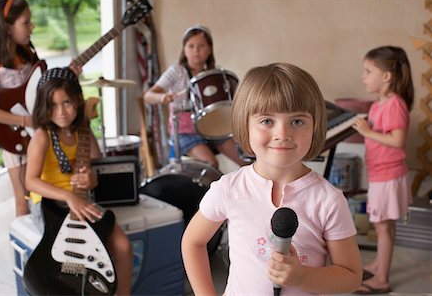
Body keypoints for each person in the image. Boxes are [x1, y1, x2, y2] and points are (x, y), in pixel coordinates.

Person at [182, 63, 362, 295]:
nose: (282, 134)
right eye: (267, 121)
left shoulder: (328, 200)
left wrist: (302, 276)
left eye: (297, 121)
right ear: (245, 126)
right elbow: (193, 242)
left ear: (315, 127)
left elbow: (351, 277)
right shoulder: (228, 189)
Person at [25, 68, 132, 295]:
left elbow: (97, 166)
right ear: (44, 106)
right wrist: (68, 196)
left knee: (122, 246)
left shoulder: (83, 131)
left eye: (67, 103)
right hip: (49, 201)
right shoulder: (42, 136)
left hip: (80, 201)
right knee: (65, 250)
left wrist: (91, 179)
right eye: (53, 105)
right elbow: (31, 181)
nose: (61, 112)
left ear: (78, 100)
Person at [0, 0, 81, 217]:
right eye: (26, 22)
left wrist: (66, 77)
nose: (32, 27)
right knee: (23, 200)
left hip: (36, 133)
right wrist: (26, 121)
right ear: (7, 27)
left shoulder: (26, 52)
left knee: (41, 192)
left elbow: (38, 89)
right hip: (14, 135)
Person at [352, 46, 414, 294]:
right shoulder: (380, 104)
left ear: (386, 76)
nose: (363, 77)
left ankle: (382, 279)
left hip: (388, 175)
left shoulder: (395, 104)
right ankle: (380, 263)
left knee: (382, 227)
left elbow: (397, 141)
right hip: (381, 174)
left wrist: (368, 132)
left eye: (368, 71)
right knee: (385, 226)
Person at [144, 25, 247, 169]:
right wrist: (163, 97)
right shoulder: (176, 71)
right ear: (184, 49)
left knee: (245, 159)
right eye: (191, 46)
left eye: (201, 46)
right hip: (184, 133)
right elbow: (148, 96)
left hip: (211, 128)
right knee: (211, 164)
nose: (196, 51)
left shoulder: (213, 75)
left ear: (209, 49)